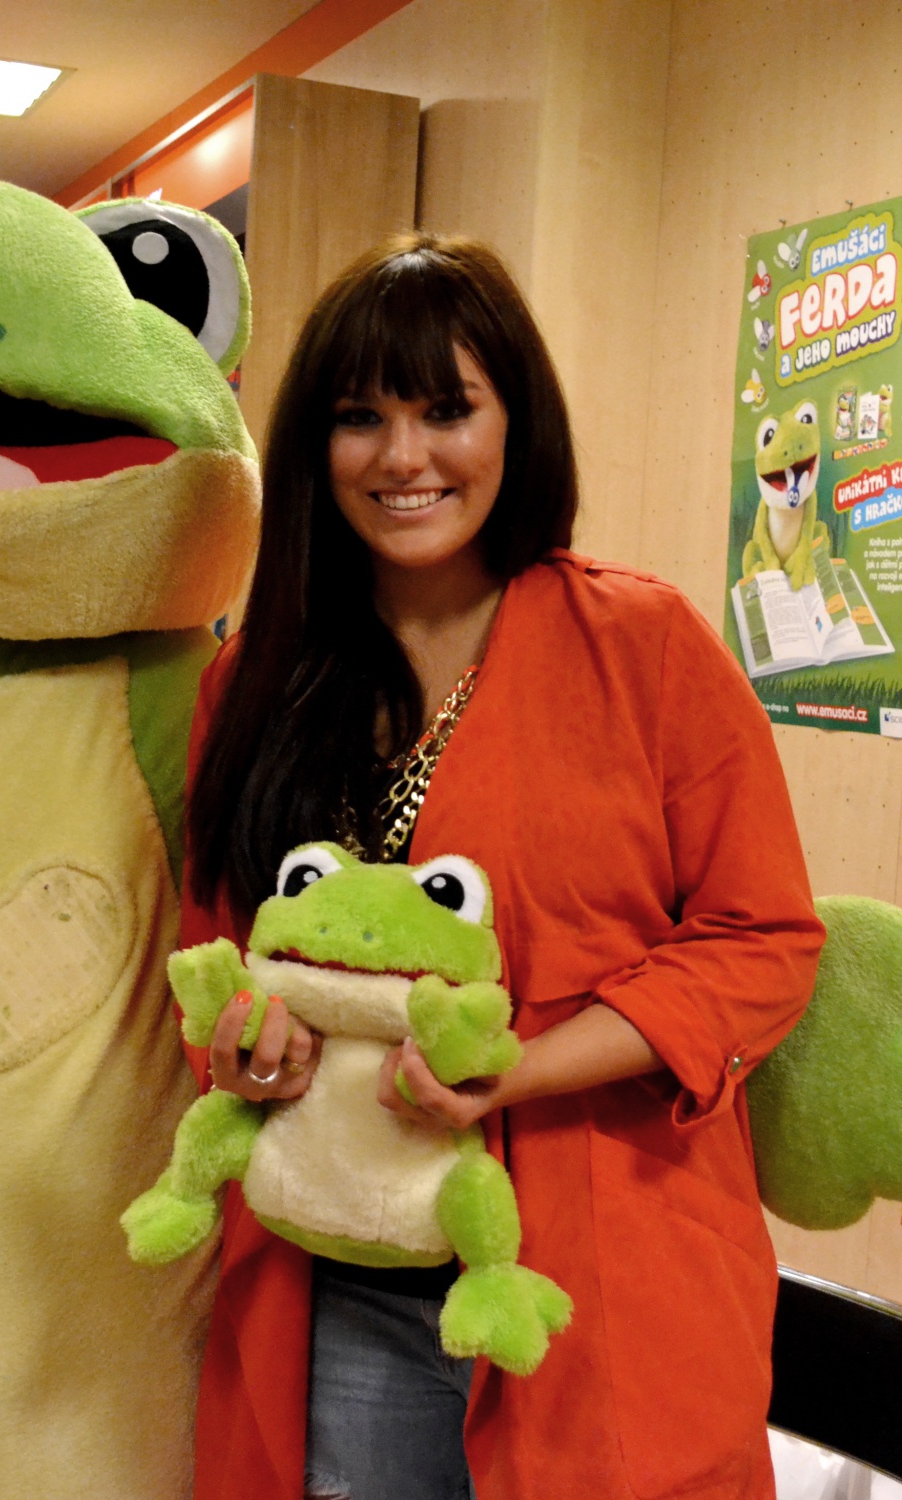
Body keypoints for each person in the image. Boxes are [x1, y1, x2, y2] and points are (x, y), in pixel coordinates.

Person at [178, 234, 823, 1500]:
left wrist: (521, 1067)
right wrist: (243, 1045)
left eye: (445, 410)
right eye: (359, 417)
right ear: (312, 445)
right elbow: (214, 945)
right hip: (339, 1282)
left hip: (598, 1264)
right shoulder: (254, 681)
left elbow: (759, 939)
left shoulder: (639, 645)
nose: (402, 456)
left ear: (513, 424)